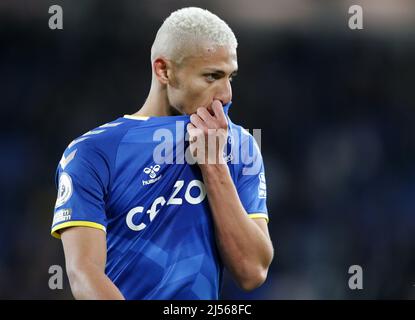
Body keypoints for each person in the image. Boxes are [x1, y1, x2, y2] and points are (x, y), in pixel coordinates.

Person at [51, 7, 274, 300]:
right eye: (211, 77)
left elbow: (253, 271)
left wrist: (214, 165)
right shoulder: (92, 152)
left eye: (230, 77)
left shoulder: (240, 146)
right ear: (164, 70)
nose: (227, 94)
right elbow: (84, 273)